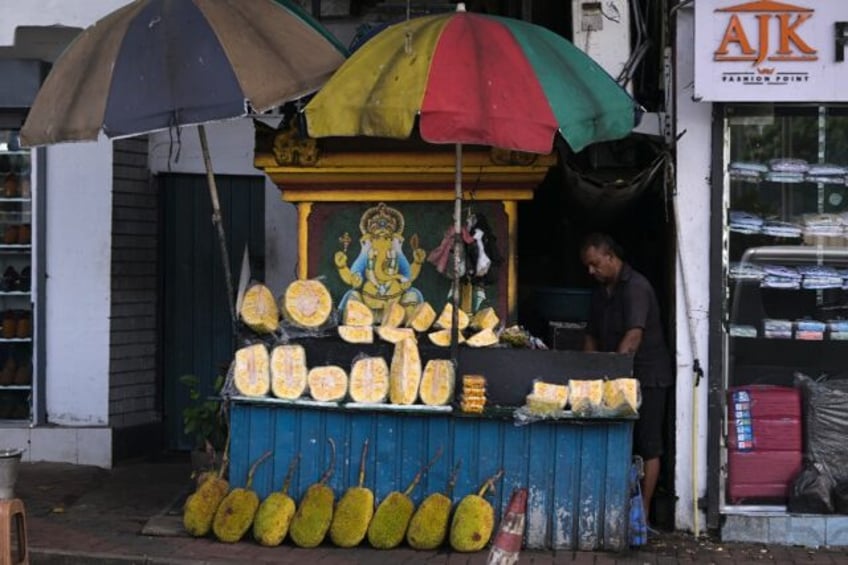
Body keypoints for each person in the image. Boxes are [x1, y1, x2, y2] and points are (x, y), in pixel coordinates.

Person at [580, 232, 674, 530]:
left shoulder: (636, 287)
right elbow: (591, 335)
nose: (590, 271)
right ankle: (617, 507)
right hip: (616, 377)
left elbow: (633, 336)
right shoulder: (600, 292)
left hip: (647, 376)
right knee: (621, 440)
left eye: (595, 264)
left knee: (649, 444)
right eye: (587, 266)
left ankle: (642, 515)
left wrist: (614, 371)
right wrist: (590, 370)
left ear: (611, 257)